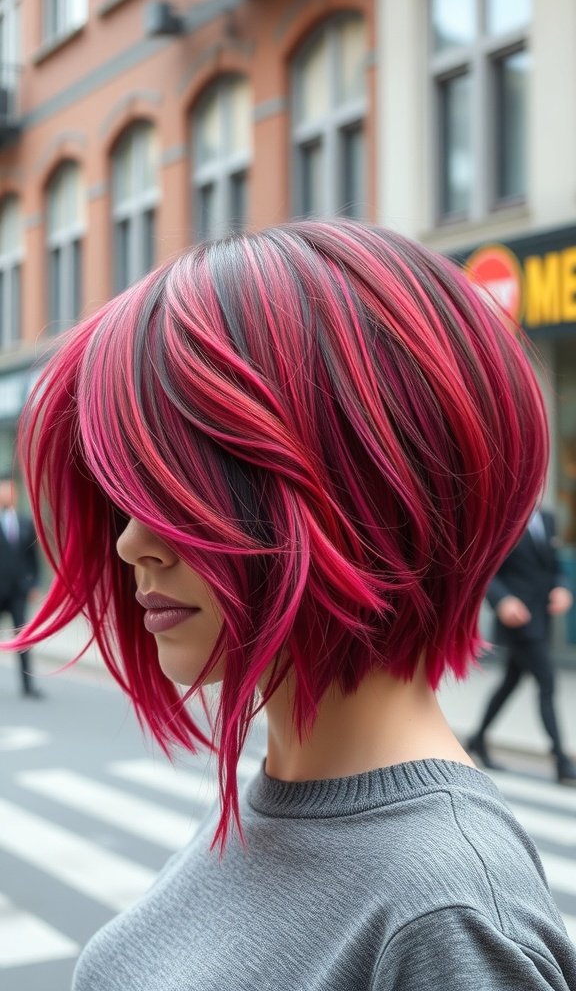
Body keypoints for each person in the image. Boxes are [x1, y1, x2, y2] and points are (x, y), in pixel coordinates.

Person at [6, 221, 576, 990]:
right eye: (129, 493)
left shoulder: (447, 914)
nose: (130, 542)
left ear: (364, 486)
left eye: (185, 485)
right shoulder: (276, 801)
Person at [468, 508, 576, 783]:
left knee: (510, 682)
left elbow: (553, 567)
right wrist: (502, 599)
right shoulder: (504, 517)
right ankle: (561, 761)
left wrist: (562, 587)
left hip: (541, 618)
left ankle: (478, 738)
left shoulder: (548, 518)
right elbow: (486, 568)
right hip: (518, 620)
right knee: (547, 681)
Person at [0, 476, 42, 697]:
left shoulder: (25, 523)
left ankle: (28, 686)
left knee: (23, 639)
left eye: (10, 490)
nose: (7, 493)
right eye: (3, 489)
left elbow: (33, 558)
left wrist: (34, 584)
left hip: (18, 592)